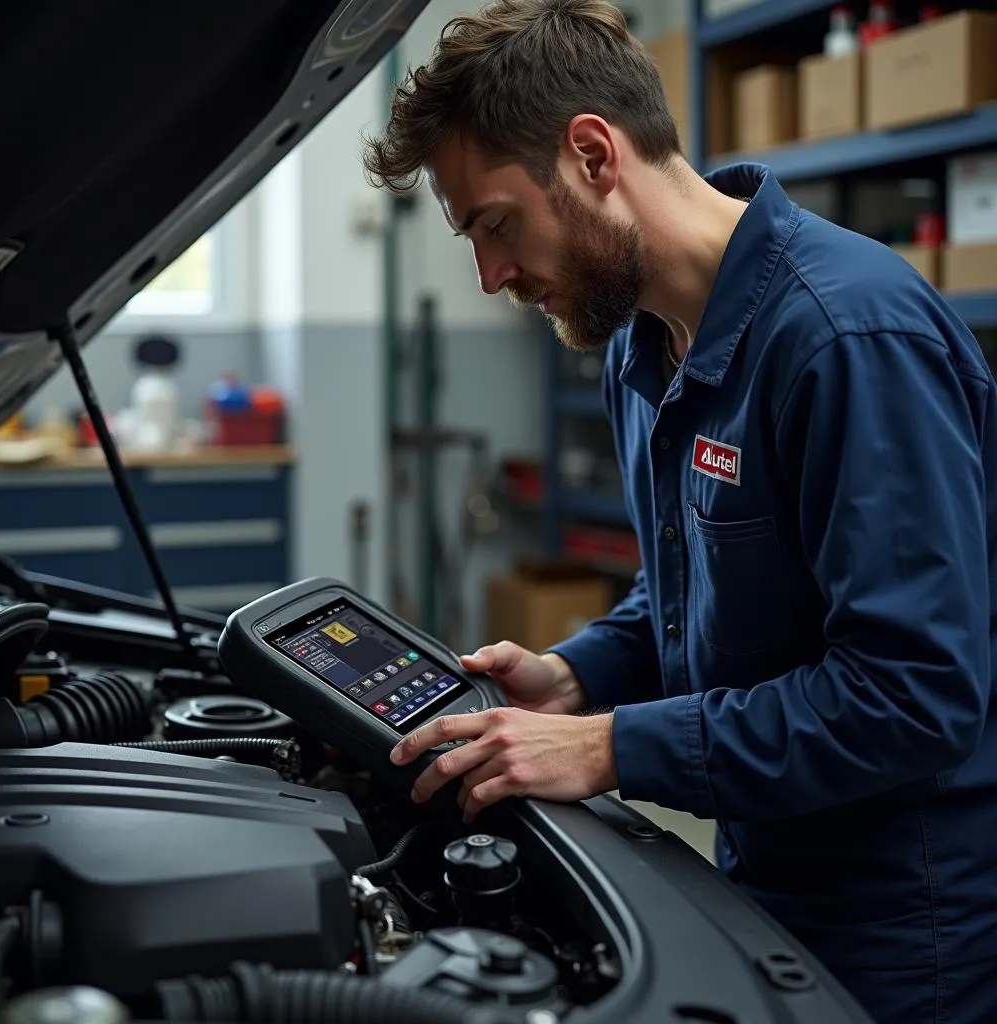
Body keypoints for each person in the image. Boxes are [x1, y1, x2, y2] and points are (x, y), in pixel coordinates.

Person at [361, 1, 997, 1020]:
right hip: (762, 871)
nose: (491, 276)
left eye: (493, 223)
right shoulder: (640, 348)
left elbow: (909, 695)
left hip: (906, 923)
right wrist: (575, 675)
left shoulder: (845, 339)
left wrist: (612, 746)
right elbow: (697, 599)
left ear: (591, 155)